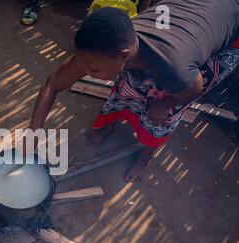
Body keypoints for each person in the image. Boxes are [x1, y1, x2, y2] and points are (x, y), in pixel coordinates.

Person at [27, 0, 239, 182]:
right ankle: (110, 126)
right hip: (189, 10)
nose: (88, 73)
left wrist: (165, 104)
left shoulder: (174, 70)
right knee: (127, 88)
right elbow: (52, 84)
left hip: (227, 23)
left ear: (125, 56)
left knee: (162, 117)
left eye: (94, 69)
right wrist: (33, 135)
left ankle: (143, 158)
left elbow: (194, 88)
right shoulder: (108, 43)